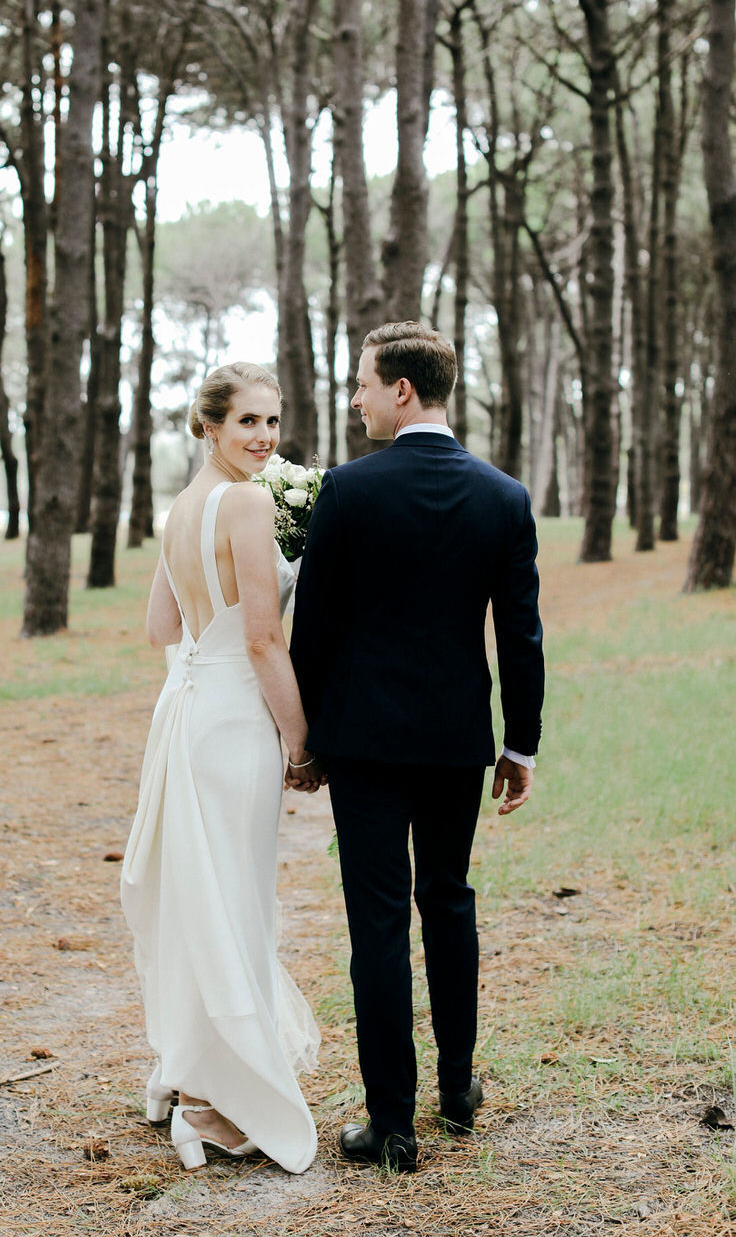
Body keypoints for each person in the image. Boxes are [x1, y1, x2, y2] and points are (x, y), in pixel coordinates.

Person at [290, 321, 545, 1171]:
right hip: (454, 741)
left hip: (362, 742)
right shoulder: (502, 497)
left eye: (363, 383)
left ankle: (391, 1123)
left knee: (377, 923)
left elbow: (313, 628)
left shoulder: (348, 491)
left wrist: (311, 736)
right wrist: (522, 746)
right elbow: (522, 637)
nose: (355, 397)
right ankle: (459, 1092)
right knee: (449, 900)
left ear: (403, 390)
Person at [121, 362, 321, 1175]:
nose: (265, 438)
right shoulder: (244, 502)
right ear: (209, 426)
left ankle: (193, 1075)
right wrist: (302, 741)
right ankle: (216, 1102)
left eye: (273, 421)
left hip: (189, 712)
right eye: (247, 423)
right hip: (236, 719)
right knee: (234, 899)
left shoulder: (183, 506)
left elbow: (160, 625)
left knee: (202, 896)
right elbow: (265, 640)